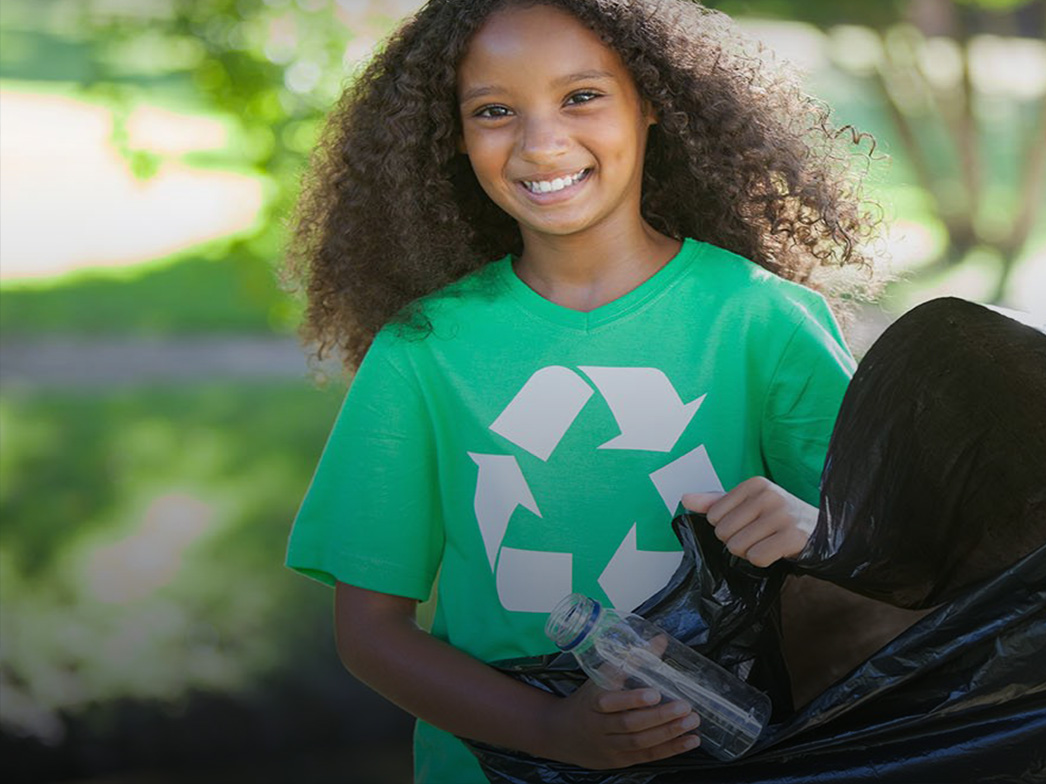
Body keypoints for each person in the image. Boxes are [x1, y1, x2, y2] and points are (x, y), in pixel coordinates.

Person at [282, 0, 878, 780]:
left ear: (653, 102)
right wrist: (554, 729)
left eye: (582, 96)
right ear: (452, 137)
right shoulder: (423, 352)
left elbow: (893, 575)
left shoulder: (762, 322)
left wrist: (821, 534)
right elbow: (370, 632)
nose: (541, 142)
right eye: (494, 111)